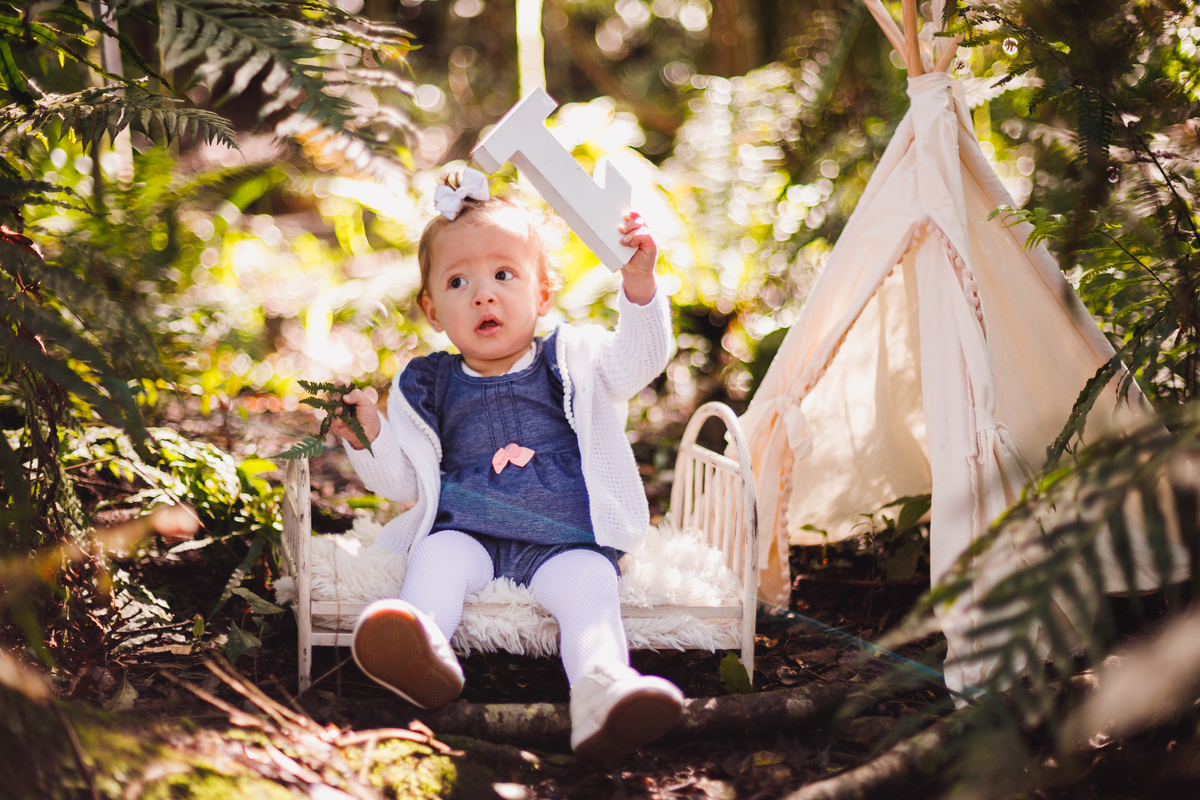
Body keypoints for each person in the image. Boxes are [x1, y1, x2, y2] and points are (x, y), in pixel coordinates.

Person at [329, 167, 684, 760]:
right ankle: (423, 651)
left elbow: (638, 363)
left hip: (564, 541)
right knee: (434, 558)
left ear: (543, 291)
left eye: (503, 275)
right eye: (459, 281)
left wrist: (639, 288)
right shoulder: (429, 383)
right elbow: (403, 484)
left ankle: (602, 691)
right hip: (468, 533)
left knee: (592, 591)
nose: (483, 294)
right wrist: (369, 436)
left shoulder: (572, 358)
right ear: (433, 309)